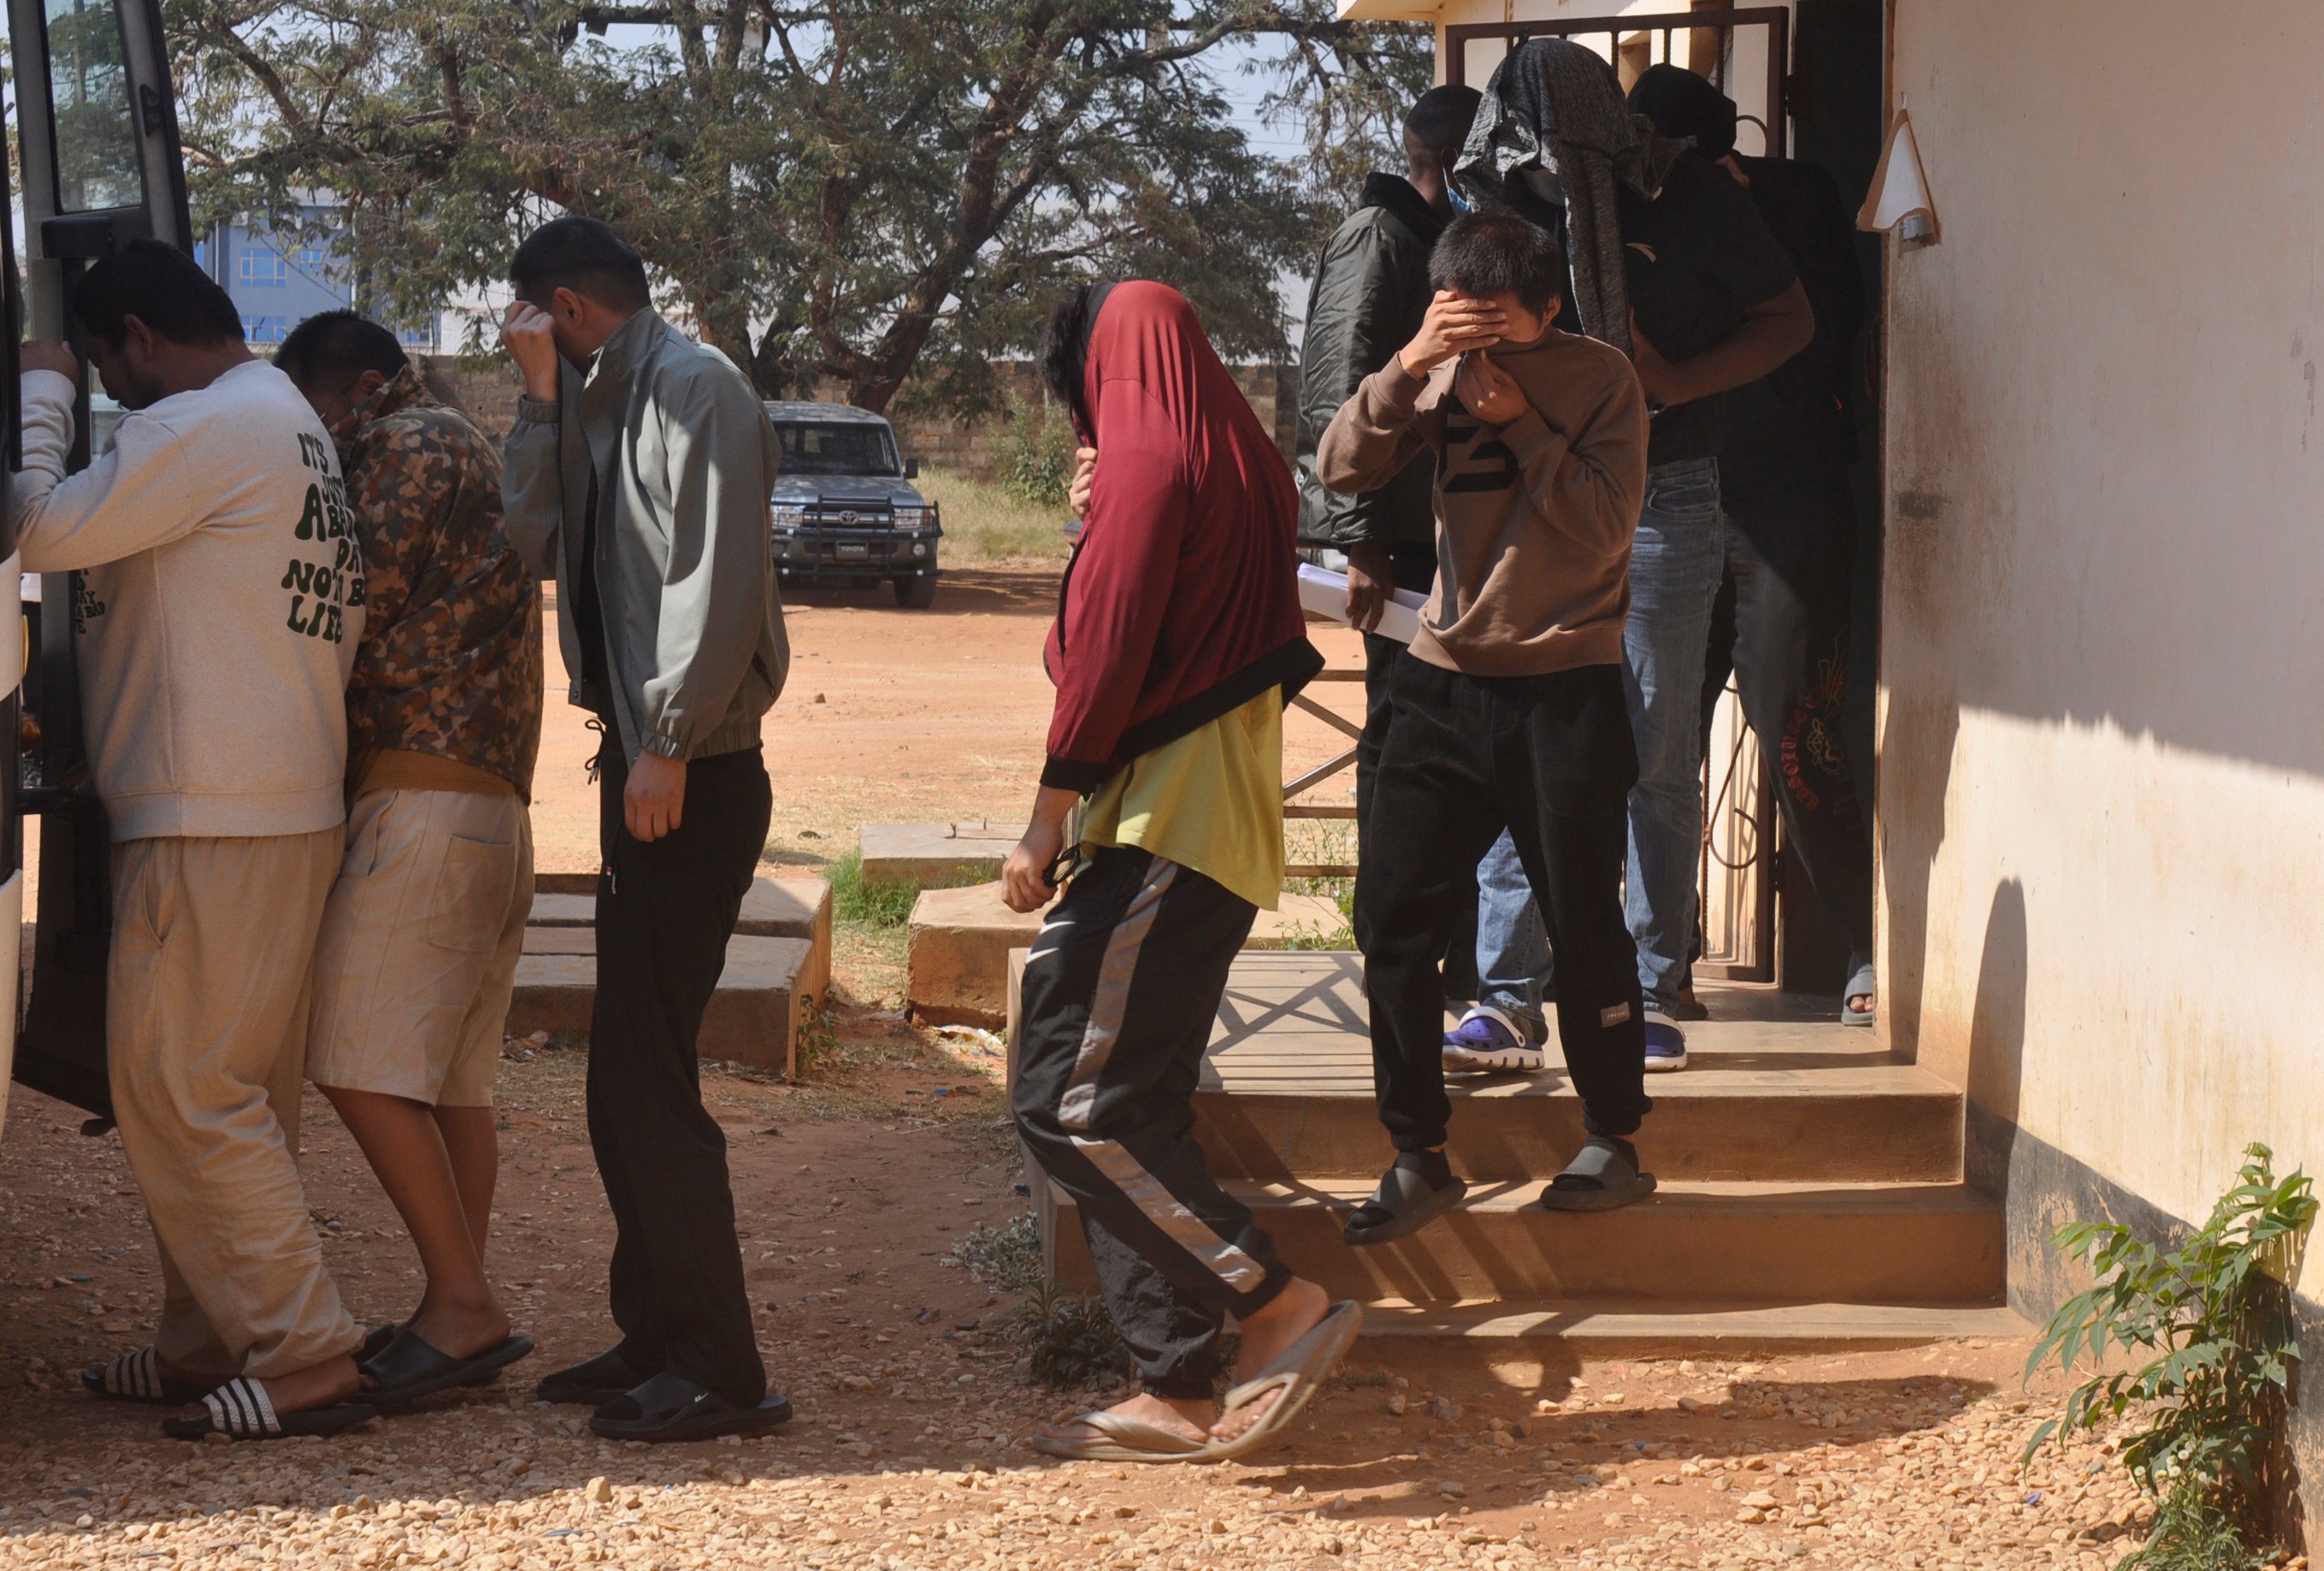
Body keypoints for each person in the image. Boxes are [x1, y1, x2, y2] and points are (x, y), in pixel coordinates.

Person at [22, 241, 370, 1440]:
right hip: (275, 804)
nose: (112, 390)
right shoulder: (284, 422)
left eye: (103, 364)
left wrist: (42, 395)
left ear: (138, 337)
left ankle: (306, 1352)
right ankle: (206, 1340)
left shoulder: (203, 426)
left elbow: (35, 527)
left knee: (181, 1090)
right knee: (235, 1093)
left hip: (210, 809)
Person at [1006, 280, 1358, 1464]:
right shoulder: (1235, 462)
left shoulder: (1151, 466)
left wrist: (1042, 822)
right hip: (1210, 829)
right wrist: (1091, 521)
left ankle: (1272, 1299)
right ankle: (1174, 1383)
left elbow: (1096, 656)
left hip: (1162, 825)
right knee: (1129, 1104)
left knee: (1063, 1098)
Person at [1453, 40, 1814, 1073]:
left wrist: (1679, 383)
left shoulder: (1686, 195)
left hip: (1667, 491)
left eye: (1542, 140)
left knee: (1657, 750)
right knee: (1530, 736)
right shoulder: (1506, 201)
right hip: (1537, 495)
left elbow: (1790, 320)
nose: (1525, 158)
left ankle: (1654, 987)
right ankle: (1511, 996)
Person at [496, 216, 793, 1443]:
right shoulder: (594, 398)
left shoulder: (694, 388)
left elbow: (717, 582)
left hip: (693, 769)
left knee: (649, 1076)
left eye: (526, 318)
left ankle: (722, 1367)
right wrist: (538, 405)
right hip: (644, 761)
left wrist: (665, 739)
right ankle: (658, 1333)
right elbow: (525, 537)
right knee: (620, 1075)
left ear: (565, 306)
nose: (518, 336)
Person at [1318, 210, 1657, 1238]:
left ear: (1549, 305)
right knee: (1391, 918)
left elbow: (1605, 525)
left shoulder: (1602, 380)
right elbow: (1339, 466)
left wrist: (1517, 422)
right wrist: (1409, 364)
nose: (1480, 334)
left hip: (1565, 684)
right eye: (1462, 313)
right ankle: (1417, 1154)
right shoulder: (1438, 367)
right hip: (1441, 680)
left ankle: (1612, 1136)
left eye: (1498, 316)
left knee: (1583, 921)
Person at [274, 310, 545, 1404]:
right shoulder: (456, 438)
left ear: (356, 387)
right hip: (485, 803)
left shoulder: (399, 444)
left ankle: (465, 1303)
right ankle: (454, 1307)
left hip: (421, 794)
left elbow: (345, 608)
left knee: (351, 1057)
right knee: (449, 1084)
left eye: (311, 408)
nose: (308, 433)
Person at [1626, 63, 1878, 1026]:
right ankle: (1664, 958)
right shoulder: (1633, 215)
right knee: (1658, 743)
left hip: (1788, 506)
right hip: (1679, 503)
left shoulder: (1793, 199)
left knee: (1797, 733)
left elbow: (1824, 332)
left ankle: (1861, 944)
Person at [1294, 83, 1482, 827]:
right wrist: (1359, 541)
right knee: (1399, 725)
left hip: (1435, 533)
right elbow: (1337, 389)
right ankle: (1386, 895)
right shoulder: (1378, 236)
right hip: (1394, 543)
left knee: (1435, 727)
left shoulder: (1435, 242)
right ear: (1452, 157)